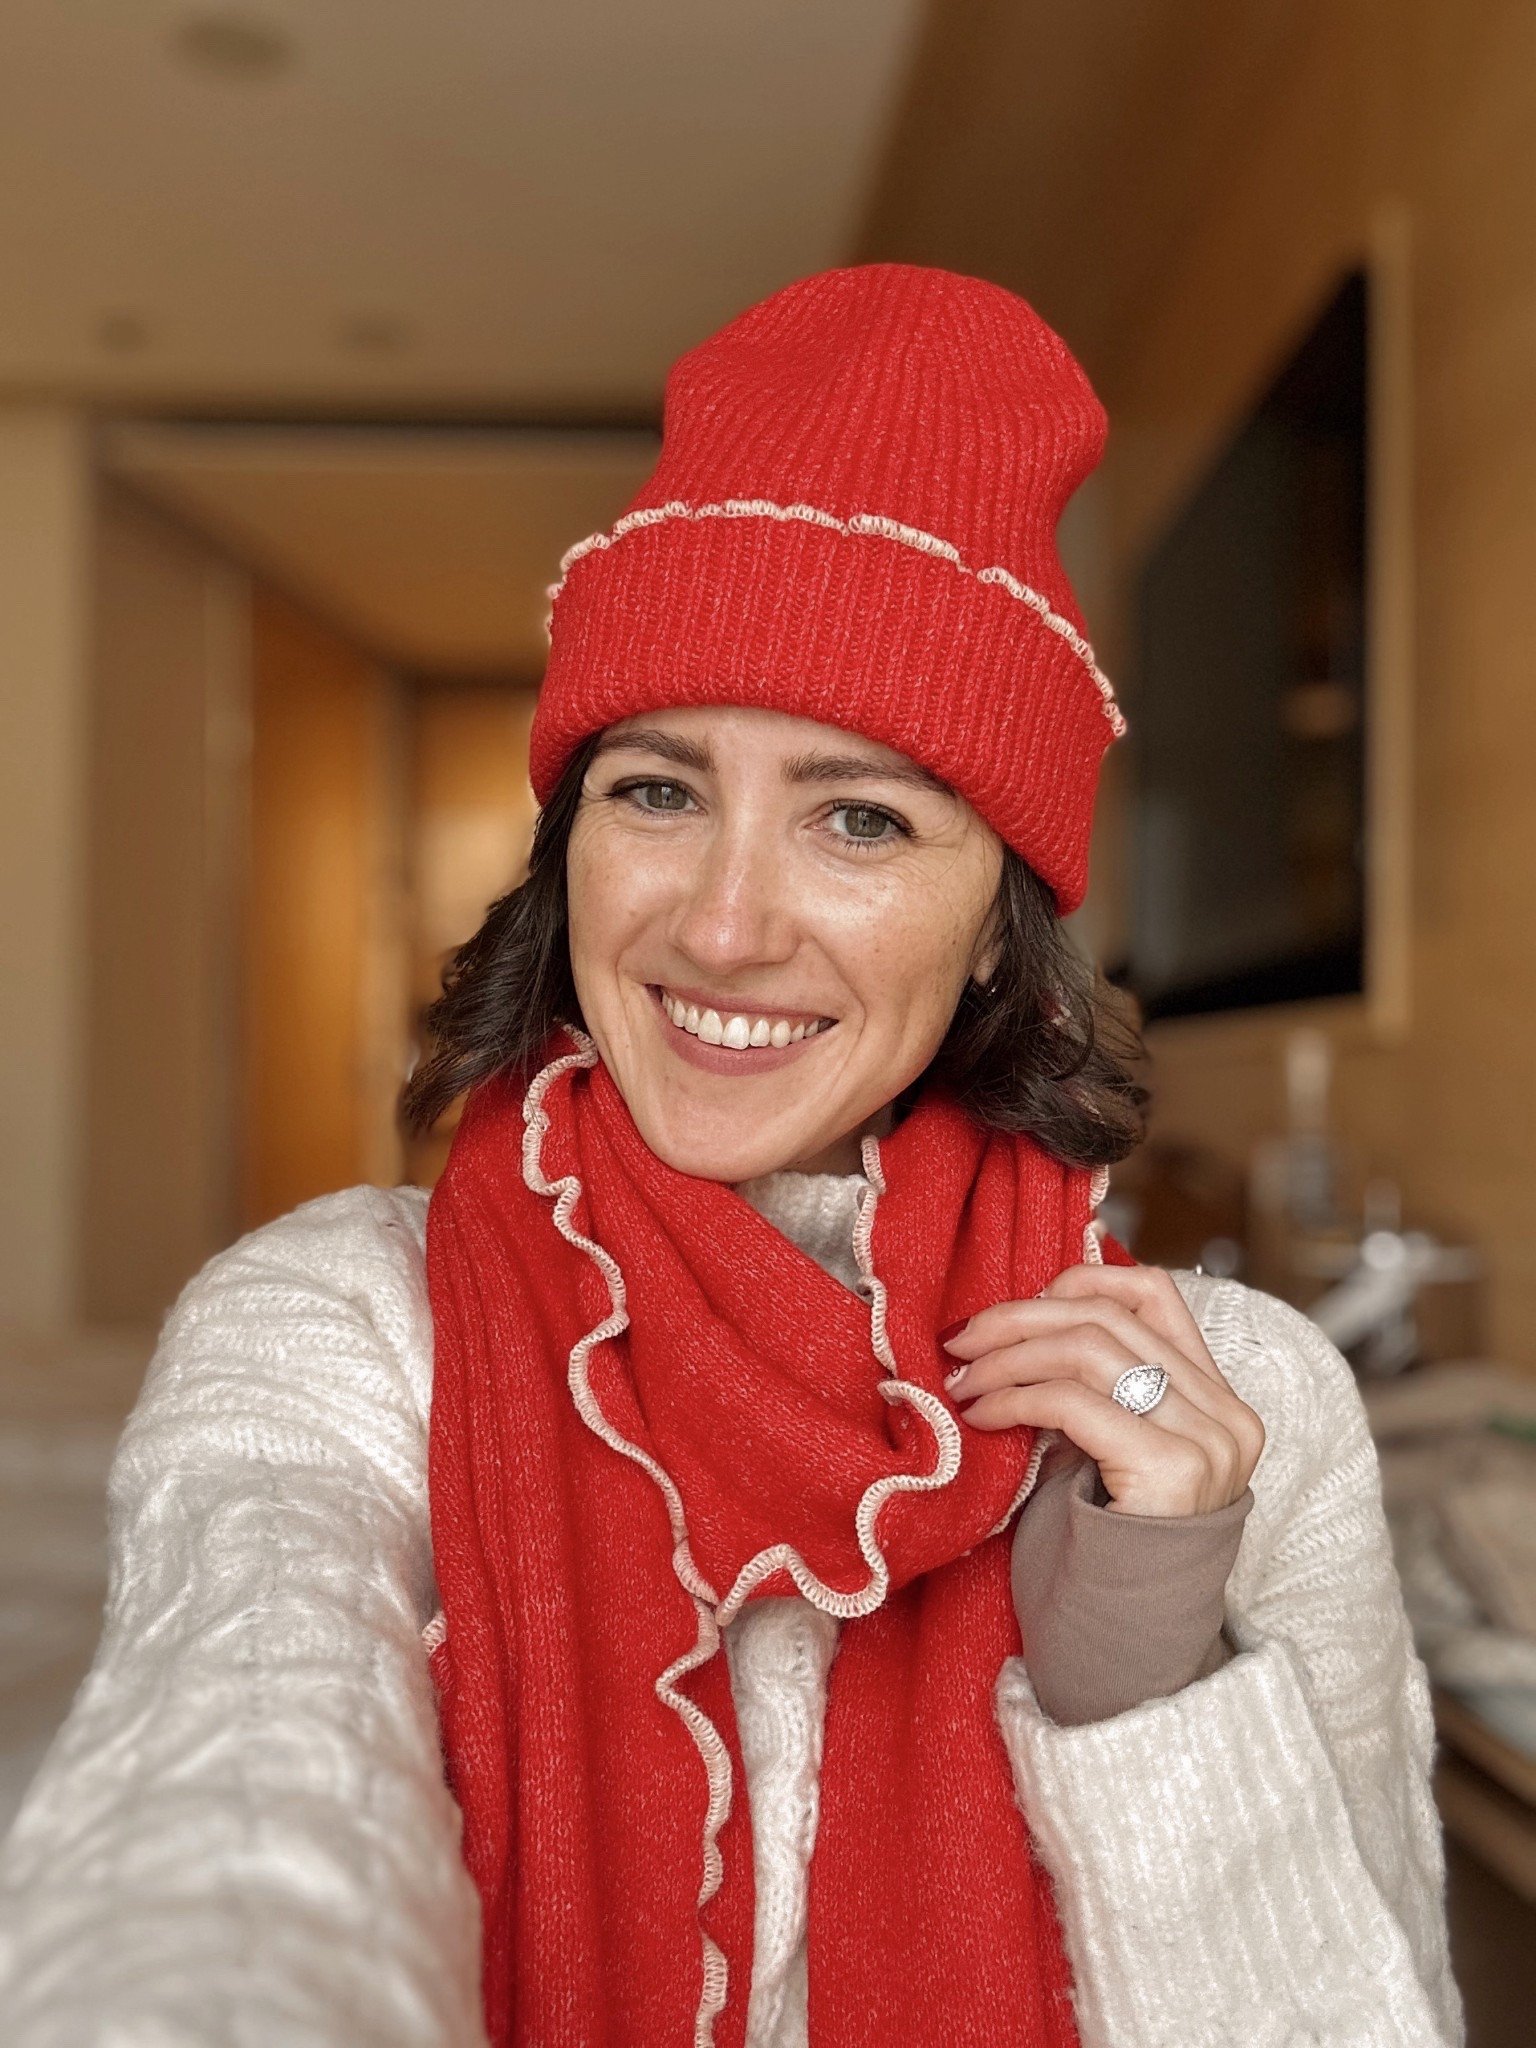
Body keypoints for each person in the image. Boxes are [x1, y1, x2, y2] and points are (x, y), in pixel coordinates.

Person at [0, 267, 1459, 2048]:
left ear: (1000, 924)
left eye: (859, 817)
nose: (725, 919)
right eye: (659, 790)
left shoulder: (1240, 1407)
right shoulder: (342, 1328)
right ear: (573, 847)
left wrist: (1139, 1681)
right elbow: (230, 1808)